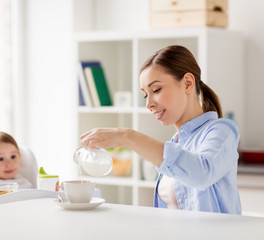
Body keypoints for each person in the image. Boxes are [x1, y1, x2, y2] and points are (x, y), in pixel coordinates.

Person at [80, 45, 241, 214]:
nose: (148, 103)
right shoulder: (176, 142)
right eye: (145, 94)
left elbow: (202, 173)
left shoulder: (222, 131)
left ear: (187, 83)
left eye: (156, 90)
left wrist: (127, 136)